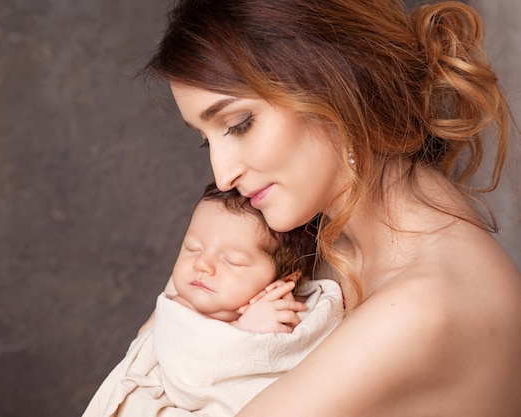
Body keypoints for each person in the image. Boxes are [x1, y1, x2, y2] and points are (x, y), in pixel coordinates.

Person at [140, 0, 521, 416]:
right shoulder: (326, 252)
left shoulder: (426, 305)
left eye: (239, 124)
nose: (223, 173)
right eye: (206, 139)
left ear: (332, 90)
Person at [82, 183, 343, 417]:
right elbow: (188, 376)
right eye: (192, 248)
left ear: (284, 282)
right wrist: (242, 332)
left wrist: (259, 336)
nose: (202, 264)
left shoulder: (295, 311)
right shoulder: (178, 309)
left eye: (232, 260)